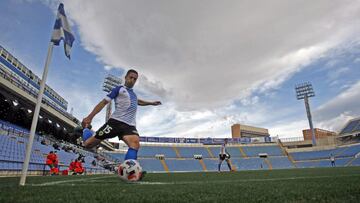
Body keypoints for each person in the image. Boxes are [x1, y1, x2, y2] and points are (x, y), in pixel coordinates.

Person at [81, 69, 161, 177]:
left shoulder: (134, 95)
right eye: (131, 77)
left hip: (129, 125)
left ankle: (129, 172)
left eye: (135, 79)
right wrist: (90, 117)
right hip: (115, 123)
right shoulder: (119, 89)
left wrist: (151, 103)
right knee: (88, 144)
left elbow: (139, 102)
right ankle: (85, 129)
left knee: (135, 144)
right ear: (126, 77)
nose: (132, 80)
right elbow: (104, 102)